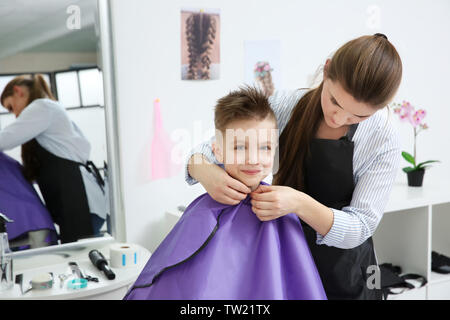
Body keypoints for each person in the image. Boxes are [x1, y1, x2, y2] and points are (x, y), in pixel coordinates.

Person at [184, 34, 403, 300]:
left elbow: (361, 227)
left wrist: (299, 203)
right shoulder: (286, 106)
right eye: (334, 101)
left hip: (350, 275)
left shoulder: (383, 138)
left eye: (358, 115)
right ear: (326, 69)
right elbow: (208, 150)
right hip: (285, 260)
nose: (339, 117)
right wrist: (205, 171)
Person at [124, 86, 327, 300]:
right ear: (217, 150)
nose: (254, 159)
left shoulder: (283, 207)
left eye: (265, 147)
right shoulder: (204, 212)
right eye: (240, 147)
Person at [0, 74, 110, 243]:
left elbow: (5, 139)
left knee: (80, 256)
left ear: (18, 91)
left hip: (78, 197)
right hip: (75, 197)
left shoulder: (42, 107)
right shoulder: (47, 111)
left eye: (11, 106)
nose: (14, 114)